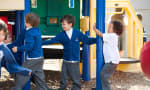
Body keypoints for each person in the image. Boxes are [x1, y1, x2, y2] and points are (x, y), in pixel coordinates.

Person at [42, 15, 96, 90]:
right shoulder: (61, 35)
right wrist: (39, 43)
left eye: (64, 24)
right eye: (62, 24)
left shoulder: (77, 33)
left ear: (70, 24)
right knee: (63, 79)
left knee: (76, 80)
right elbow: (51, 41)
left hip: (74, 61)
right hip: (65, 61)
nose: (62, 26)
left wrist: (97, 40)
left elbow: (87, 40)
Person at [11, 12, 50, 90]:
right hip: (40, 58)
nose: (24, 22)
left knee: (21, 74)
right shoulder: (37, 29)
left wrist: (17, 49)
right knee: (39, 80)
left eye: (25, 21)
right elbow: (21, 39)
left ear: (30, 23)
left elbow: (29, 46)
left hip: (33, 60)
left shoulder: (30, 33)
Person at [93, 20, 124, 90]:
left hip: (112, 61)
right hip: (112, 61)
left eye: (110, 27)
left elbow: (100, 34)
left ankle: (106, 88)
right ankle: (101, 87)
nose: (108, 28)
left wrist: (95, 29)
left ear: (115, 30)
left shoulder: (112, 36)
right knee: (103, 75)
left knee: (103, 75)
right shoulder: (112, 36)